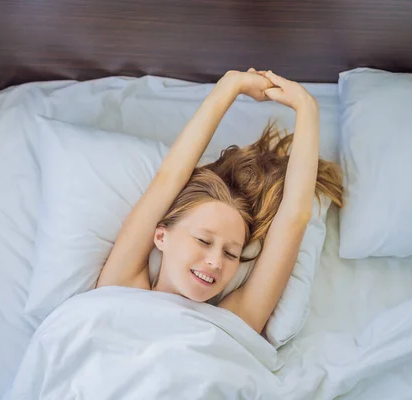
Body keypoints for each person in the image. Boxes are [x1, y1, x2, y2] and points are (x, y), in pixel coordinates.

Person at [96, 69, 343, 334]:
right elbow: (168, 178)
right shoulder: (120, 288)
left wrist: (307, 107)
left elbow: (295, 218)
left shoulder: (232, 323)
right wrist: (229, 86)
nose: (216, 262)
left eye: (231, 254)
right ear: (160, 237)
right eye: (203, 240)